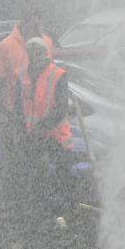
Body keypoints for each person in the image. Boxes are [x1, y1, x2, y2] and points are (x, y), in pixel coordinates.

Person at [7, 37, 75, 229]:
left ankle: (67, 215)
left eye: (38, 51)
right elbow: (18, 107)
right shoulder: (21, 75)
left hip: (56, 137)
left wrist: (42, 127)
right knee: (36, 178)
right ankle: (39, 217)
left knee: (62, 178)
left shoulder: (58, 75)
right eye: (31, 52)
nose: (35, 56)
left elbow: (61, 109)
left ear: (45, 54)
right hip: (33, 138)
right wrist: (19, 130)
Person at [0, 8, 54, 163]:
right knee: (14, 165)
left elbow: (50, 76)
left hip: (39, 118)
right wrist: (1, 112)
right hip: (14, 118)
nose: (39, 25)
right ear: (25, 21)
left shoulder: (47, 43)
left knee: (37, 166)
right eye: (35, 20)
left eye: (41, 19)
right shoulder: (6, 45)